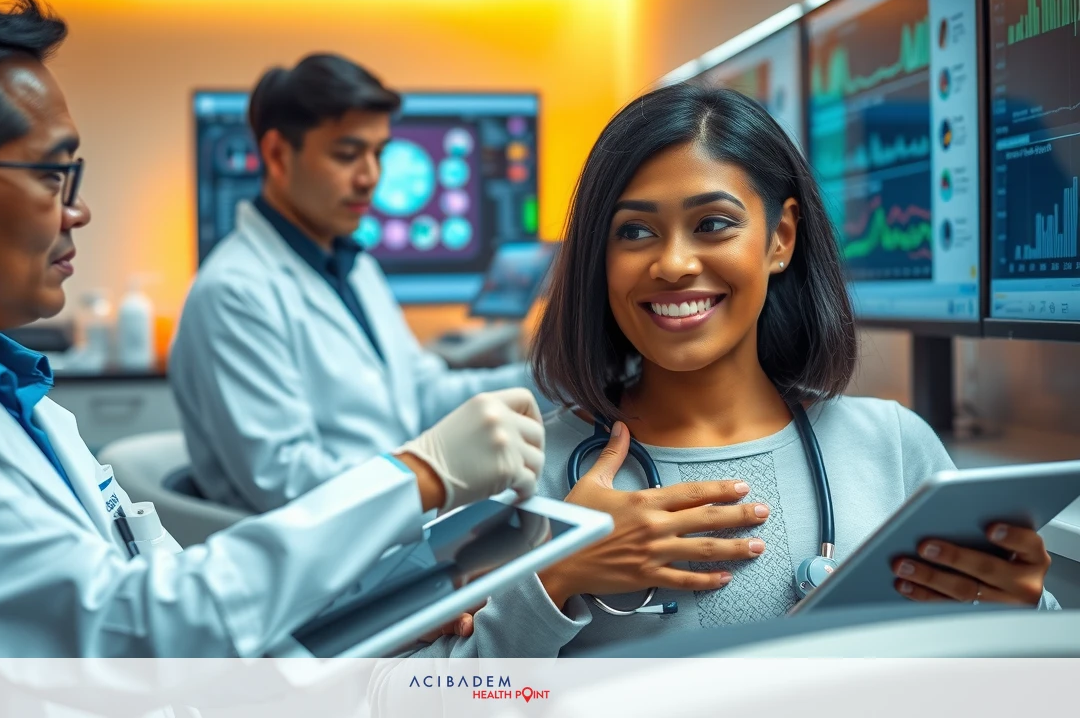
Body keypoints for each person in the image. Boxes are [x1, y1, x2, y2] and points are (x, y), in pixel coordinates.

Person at [0, 0, 545, 657]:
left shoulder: (19, 394)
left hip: (306, 593)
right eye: (53, 176)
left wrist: (372, 599)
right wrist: (416, 479)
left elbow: (161, 590)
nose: (78, 212)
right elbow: (129, 625)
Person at [392, 82, 1059, 660]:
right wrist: (555, 578)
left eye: (713, 224)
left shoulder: (893, 447)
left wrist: (1022, 610)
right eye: (634, 232)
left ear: (780, 238)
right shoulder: (527, 478)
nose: (674, 264)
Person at [169, 53, 537, 513]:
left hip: (396, 516)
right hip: (331, 545)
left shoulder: (353, 267)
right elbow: (285, 482)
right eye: (347, 155)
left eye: (378, 154)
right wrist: (433, 477)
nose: (370, 178)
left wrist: (555, 377)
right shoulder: (233, 293)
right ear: (278, 154)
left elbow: (422, 396)